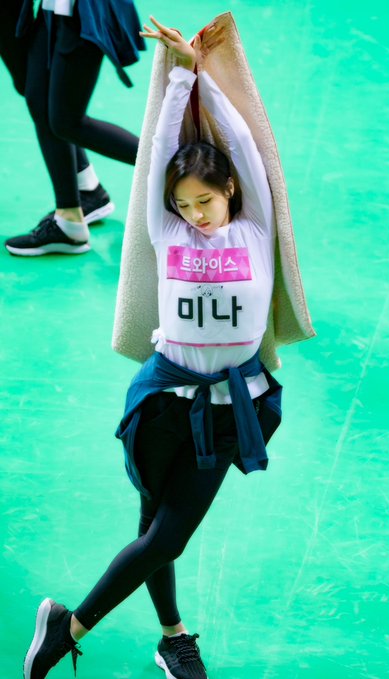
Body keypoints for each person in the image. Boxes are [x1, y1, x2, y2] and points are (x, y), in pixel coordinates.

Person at [23, 17, 283, 679]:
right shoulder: (168, 233)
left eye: (205, 201)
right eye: (184, 204)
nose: (195, 214)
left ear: (229, 191)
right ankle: (172, 636)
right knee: (154, 528)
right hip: (162, 399)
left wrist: (202, 76)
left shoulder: (254, 230)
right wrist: (175, 83)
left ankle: (67, 627)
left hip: (227, 408)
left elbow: (245, 147)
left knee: (168, 534)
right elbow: (159, 152)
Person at [2, 0, 145, 257]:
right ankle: (76, 208)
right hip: (53, 10)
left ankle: (183, 164)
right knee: (39, 97)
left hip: (79, 11)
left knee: (67, 121)